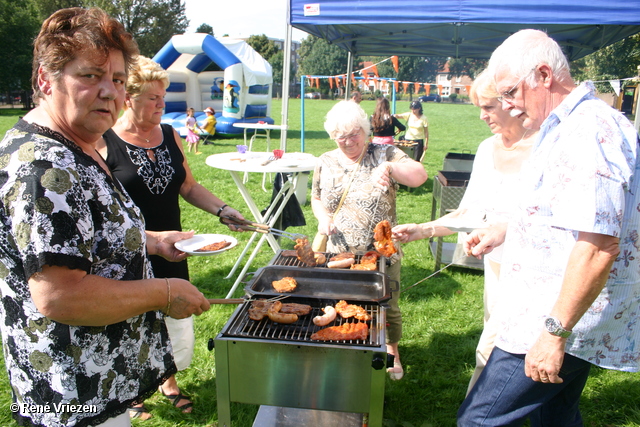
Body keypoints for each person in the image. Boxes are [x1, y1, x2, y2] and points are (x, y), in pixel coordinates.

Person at [0, 7, 211, 427]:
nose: (110, 92)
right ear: (46, 79)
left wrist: (150, 241)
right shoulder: (45, 167)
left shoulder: (77, 144)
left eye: (116, 79)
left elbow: (80, 236)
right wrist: (164, 291)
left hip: (100, 379)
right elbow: (61, 295)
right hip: (71, 393)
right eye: (91, 75)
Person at [457, 29, 640, 426]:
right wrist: (507, 229)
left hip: (554, 318)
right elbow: (563, 212)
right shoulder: (562, 126)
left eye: (510, 93)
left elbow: (597, 245)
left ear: (543, 75)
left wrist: (554, 334)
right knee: (553, 417)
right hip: (554, 312)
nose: (507, 106)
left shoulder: (588, 132)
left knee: (478, 420)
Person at [98, 56, 245, 420]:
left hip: (174, 248)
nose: (162, 104)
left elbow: (189, 186)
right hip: (129, 249)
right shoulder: (105, 143)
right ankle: (131, 389)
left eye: (163, 97)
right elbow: (102, 212)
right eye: (153, 98)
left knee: (174, 317)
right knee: (131, 318)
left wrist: (223, 210)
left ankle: (168, 381)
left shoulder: (170, 135)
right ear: (128, 97)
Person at [392, 69, 536, 394]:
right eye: (479, 108)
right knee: (500, 342)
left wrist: (506, 229)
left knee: (490, 350)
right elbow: (471, 210)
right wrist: (423, 229)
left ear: (513, 102)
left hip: (536, 273)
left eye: (488, 107)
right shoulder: (487, 149)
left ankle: (477, 414)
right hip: (497, 267)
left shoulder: (547, 148)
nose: (482, 116)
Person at [311, 100, 427, 380]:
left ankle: (391, 350)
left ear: (365, 130)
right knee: (344, 303)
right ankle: (350, 347)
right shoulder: (325, 161)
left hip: (382, 252)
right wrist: (323, 218)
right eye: (341, 136)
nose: (349, 141)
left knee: (387, 305)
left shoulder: (384, 152)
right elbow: (316, 197)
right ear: (332, 136)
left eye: (354, 134)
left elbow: (419, 176)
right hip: (340, 254)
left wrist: (390, 168)